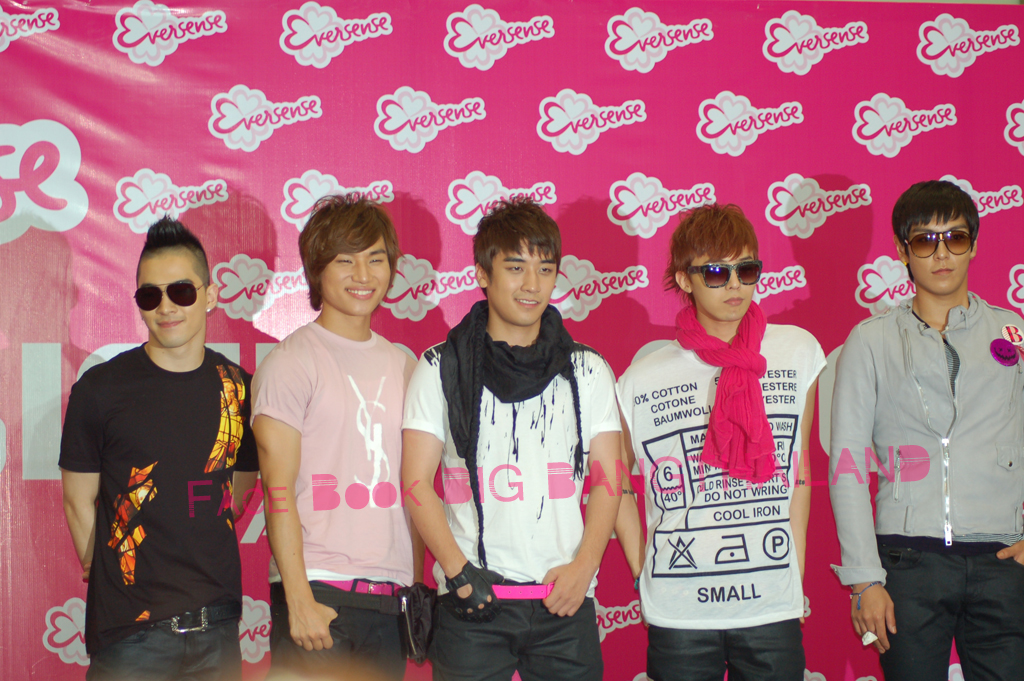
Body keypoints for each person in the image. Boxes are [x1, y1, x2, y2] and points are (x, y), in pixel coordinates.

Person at [402, 197, 622, 681]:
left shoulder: (587, 369)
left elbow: (609, 477)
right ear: (483, 273)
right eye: (516, 267)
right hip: (472, 606)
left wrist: (584, 567)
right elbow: (416, 483)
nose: (532, 285)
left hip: (565, 602)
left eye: (546, 269)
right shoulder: (440, 366)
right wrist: (459, 573)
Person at [616, 203, 824, 681]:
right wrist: (642, 570)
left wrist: (793, 575)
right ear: (684, 279)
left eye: (746, 270)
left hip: (771, 602)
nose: (734, 285)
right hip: (679, 610)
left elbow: (799, 472)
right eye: (715, 272)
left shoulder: (797, 351)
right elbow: (616, 482)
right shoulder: (641, 379)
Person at [829, 180, 1024, 680]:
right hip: (907, 563)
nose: (941, 254)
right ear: (902, 251)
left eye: (955, 238)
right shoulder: (869, 341)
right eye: (924, 241)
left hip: (1004, 561)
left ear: (973, 245)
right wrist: (864, 578)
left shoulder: (1014, 333)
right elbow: (848, 464)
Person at [60, 217, 259, 681]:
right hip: (130, 637)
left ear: (210, 295)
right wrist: (108, 565)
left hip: (217, 629)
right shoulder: (101, 389)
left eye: (182, 292)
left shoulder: (239, 390)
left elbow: (241, 489)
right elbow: (77, 501)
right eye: (150, 296)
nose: (166, 307)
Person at [252, 195, 421, 680]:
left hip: (388, 599)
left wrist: (413, 589)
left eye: (375, 259)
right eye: (345, 260)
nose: (362, 275)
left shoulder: (405, 365)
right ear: (316, 269)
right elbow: (277, 490)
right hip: (319, 590)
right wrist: (299, 598)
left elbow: (413, 488)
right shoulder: (291, 362)